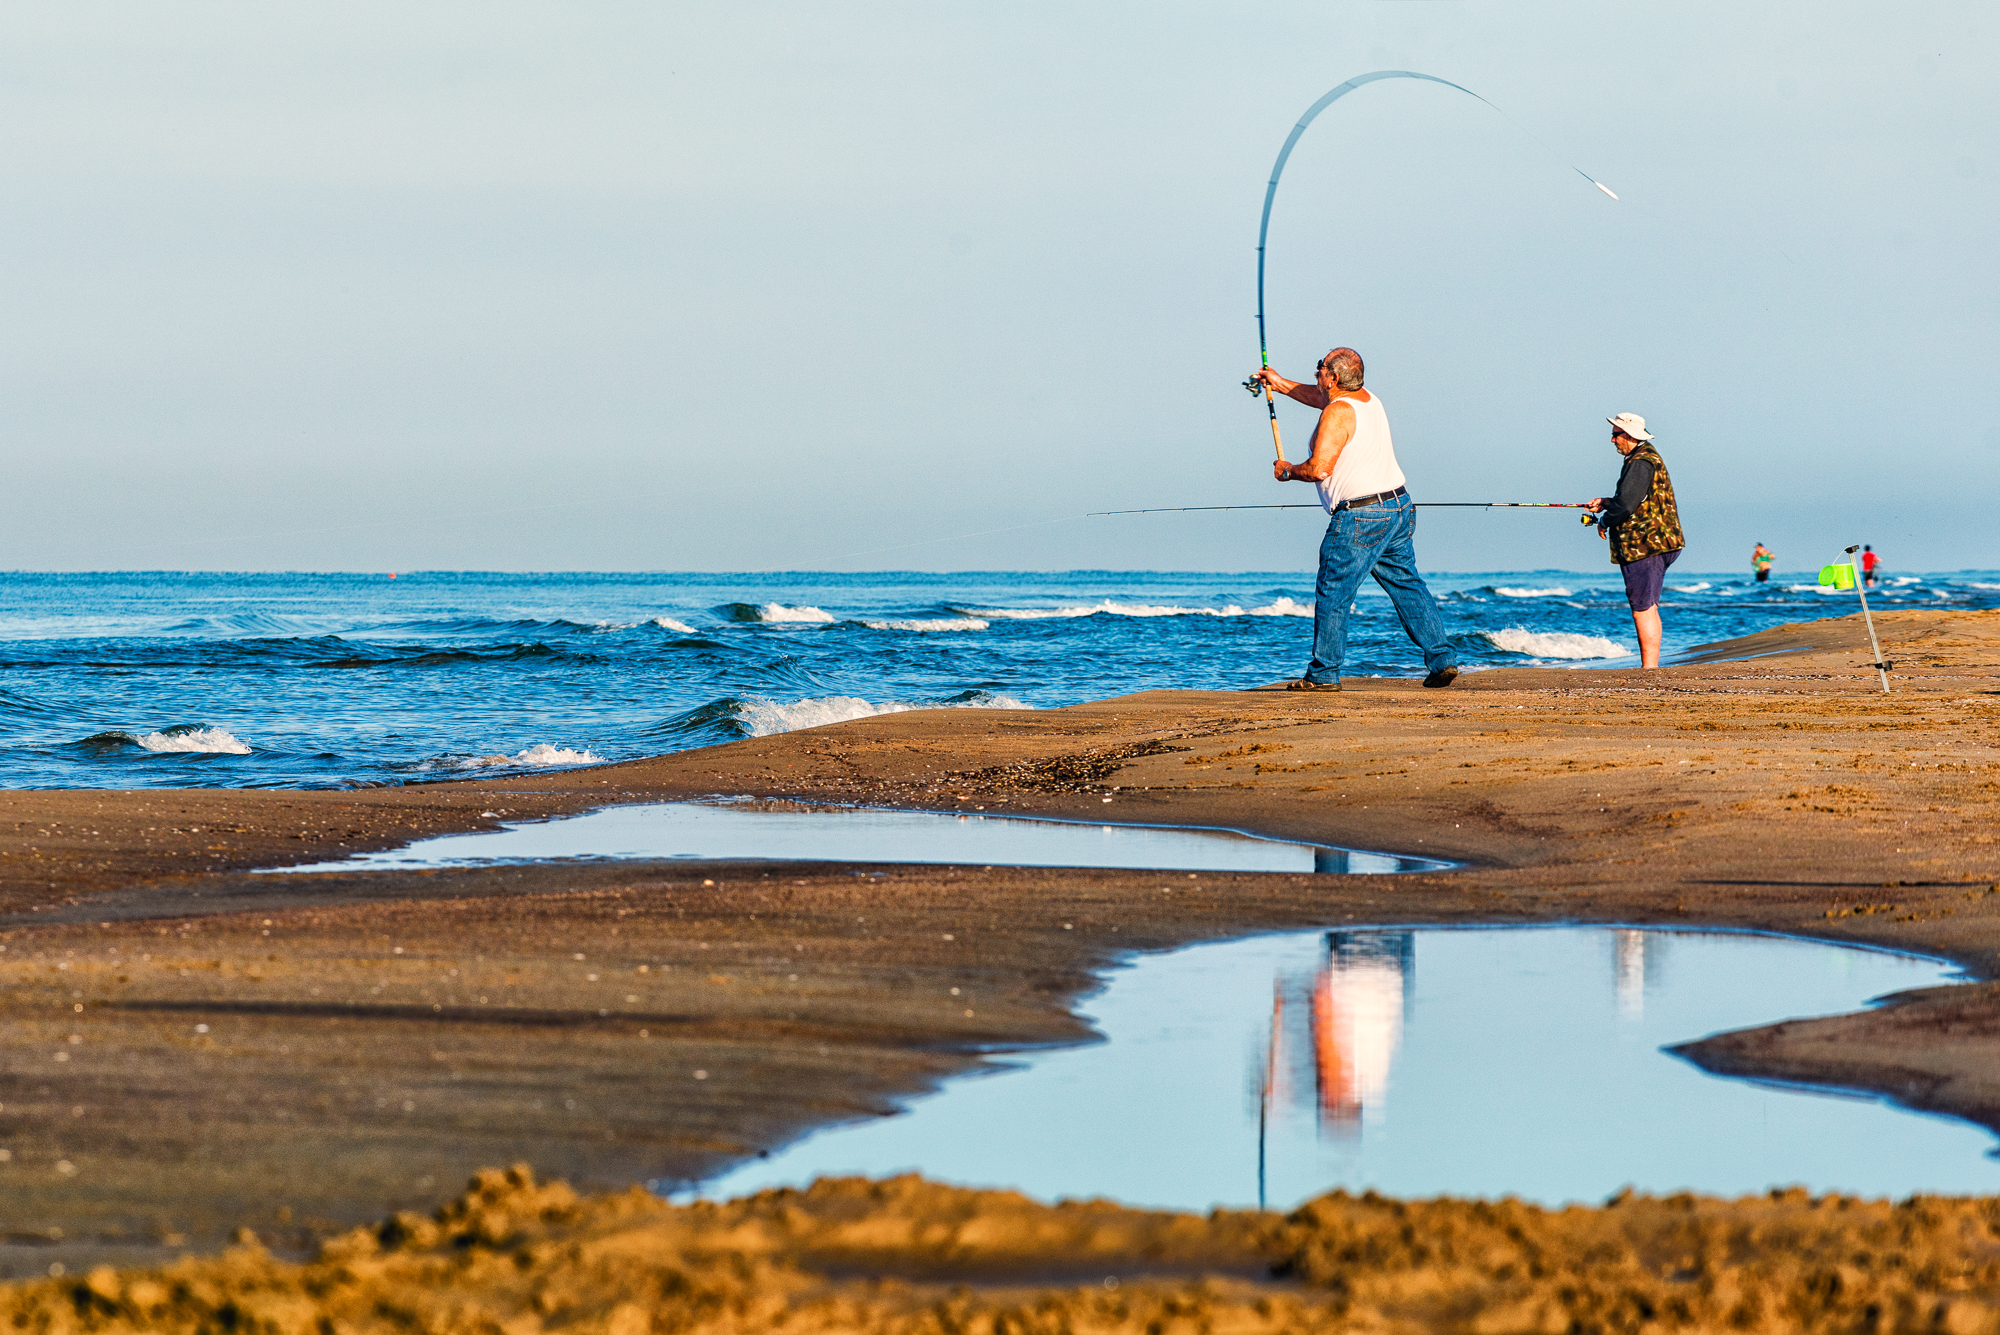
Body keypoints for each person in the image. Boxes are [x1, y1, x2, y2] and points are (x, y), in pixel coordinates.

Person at [1251, 348, 1458, 691]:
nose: (1316, 371)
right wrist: (1280, 384)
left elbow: (1319, 469)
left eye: (1320, 367)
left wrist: (1287, 471)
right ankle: (1443, 660)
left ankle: (1323, 675)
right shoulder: (1366, 400)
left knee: (1334, 592)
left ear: (1332, 377)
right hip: (1398, 506)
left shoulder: (1338, 413)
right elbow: (1322, 400)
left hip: (1361, 516)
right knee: (1407, 586)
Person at [1584, 413, 1685, 669]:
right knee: (1648, 605)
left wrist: (1606, 520)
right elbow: (1636, 499)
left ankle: (1649, 669)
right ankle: (1650, 667)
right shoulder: (1643, 457)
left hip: (1645, 545)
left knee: (1642, 607)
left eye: (1615, 435)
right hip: (1659, 542)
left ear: (1629, 436)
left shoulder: (1641, 461)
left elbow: (1627, 505)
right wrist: (1608, 502)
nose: (1612, 440)